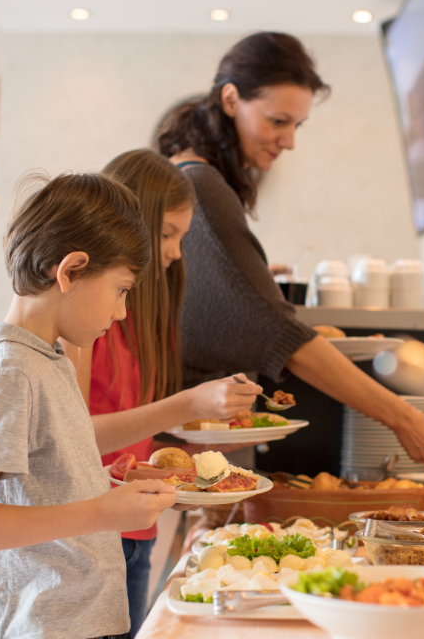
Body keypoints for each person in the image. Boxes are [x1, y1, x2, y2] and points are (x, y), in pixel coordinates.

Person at [155, 32, 424, 462]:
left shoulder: (190, 174)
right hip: (170, 447)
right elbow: (281, 337)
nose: (290, 141)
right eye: (277, 121)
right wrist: (405, 418)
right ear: (230, 100)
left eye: (296, 125)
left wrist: (255, 279)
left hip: (175, 436)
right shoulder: (203, 186)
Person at [0, 172, 178, 639]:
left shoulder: (51, 357)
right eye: (121, 289)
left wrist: (104, 480)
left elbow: (37, 487)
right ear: (70, 271)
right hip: (41, 627)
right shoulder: (10, 370)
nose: (122, 312)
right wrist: (104, 512)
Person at [60, 149, 260, 635]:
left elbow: (136, 442)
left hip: (137, 528)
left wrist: (204, 456)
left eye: (181, 239)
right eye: (168, 234)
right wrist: (189, 404)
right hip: (91, 532)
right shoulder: (86, 323)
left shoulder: (145, 322)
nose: (174, 253)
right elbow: (74, 439)